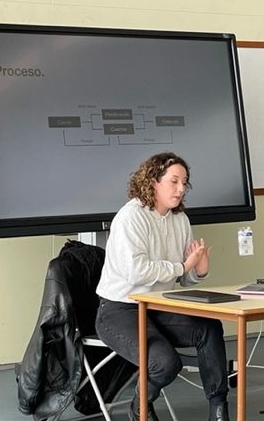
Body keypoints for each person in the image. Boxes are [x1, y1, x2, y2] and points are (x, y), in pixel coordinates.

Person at [95, 152, 230, 421]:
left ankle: (218, 411)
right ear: (153, 182)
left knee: (209, 327)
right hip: (119, 309)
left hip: (158, 305)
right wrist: (182, 266)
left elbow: (183, 278)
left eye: (184, 182)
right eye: (174, 181)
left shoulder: (180, 219)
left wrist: (199, 270)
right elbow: (136, 272)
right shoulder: (131, 217)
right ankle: (139, 409)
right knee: (165, 363)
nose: (181, 189)